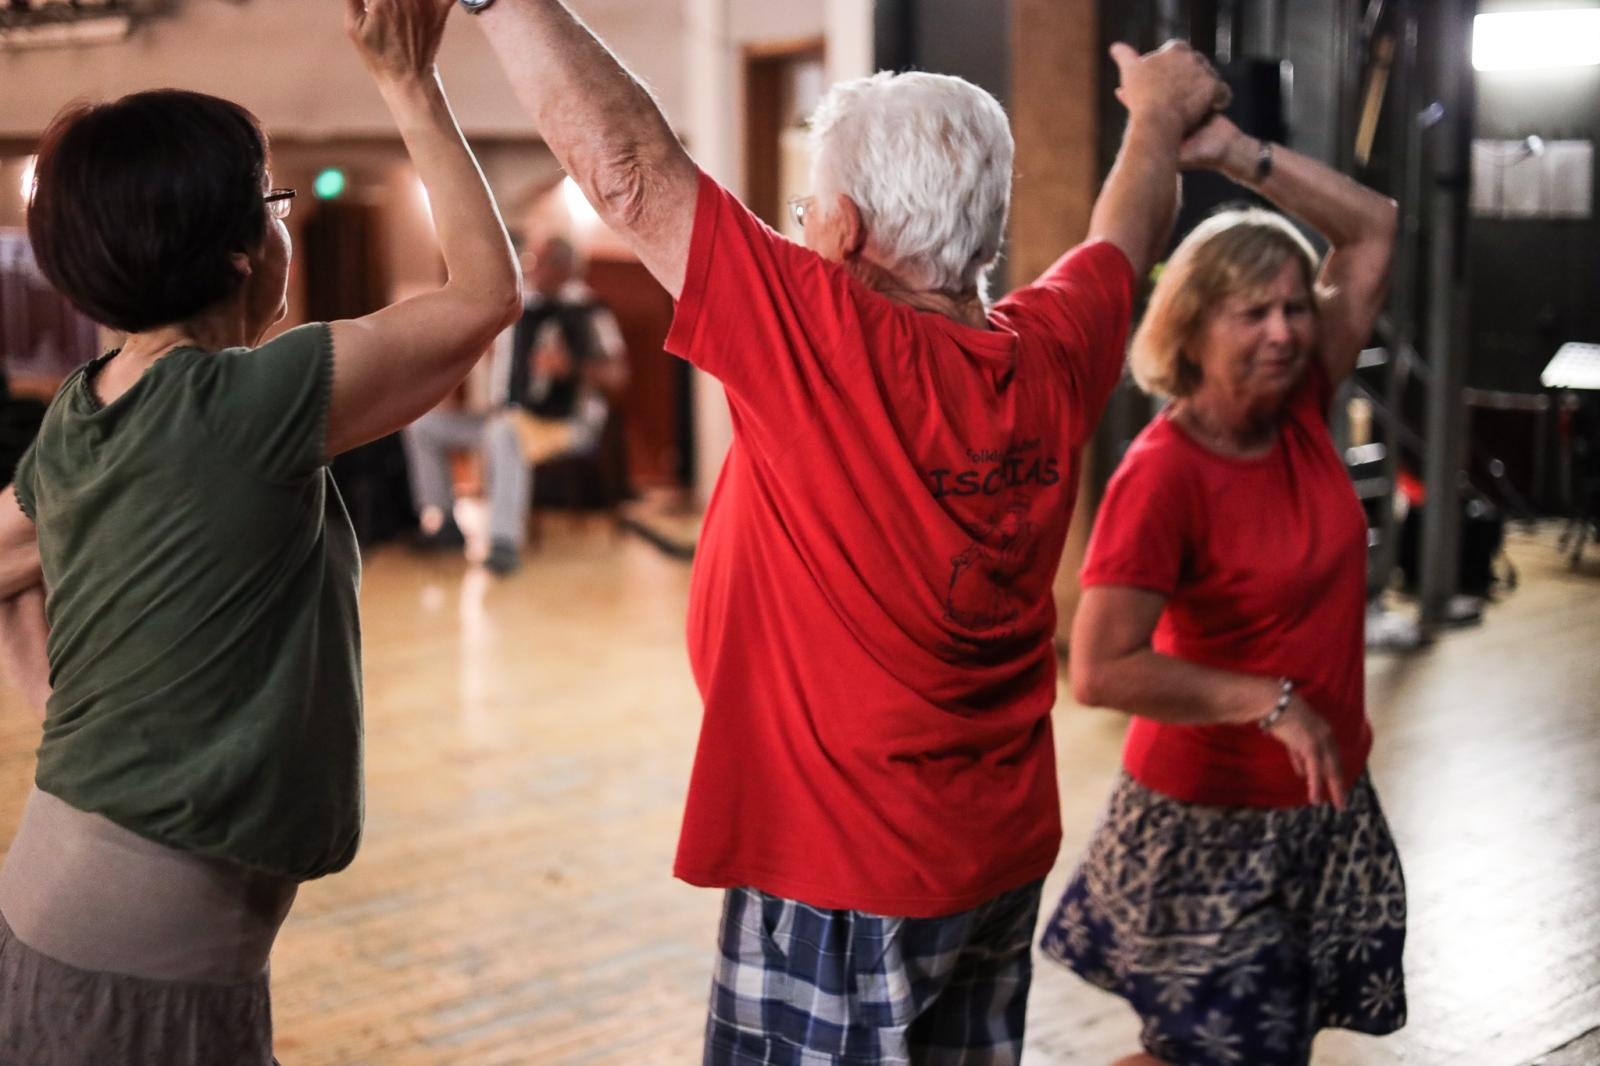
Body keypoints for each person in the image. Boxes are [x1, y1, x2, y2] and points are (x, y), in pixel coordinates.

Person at [465, 3, 1225, 1058]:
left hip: (845, 876)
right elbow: (1125, 237)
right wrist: (1154, 115)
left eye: (807, 206)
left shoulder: (828, 336)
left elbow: (628, 167)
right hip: (996, 854)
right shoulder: (1052, 345)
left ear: (850, 232)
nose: (800, 226)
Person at [0, 0, 518, 1060]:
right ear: (242, 251)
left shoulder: (84, 406)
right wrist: (409, 82)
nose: (284, 223)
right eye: (272, 203)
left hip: (61, 901)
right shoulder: (255, 401)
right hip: (146, 948)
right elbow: (479, 296)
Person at [1038, 112, 1403, 1066]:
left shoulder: (1306, 405)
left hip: (1317, 805)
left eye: (1295, 306)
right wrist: (1265, 701)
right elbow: (1101, 670)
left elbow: (1372, 228)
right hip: (1207, 822)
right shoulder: (1163, 475)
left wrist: (1234, 155)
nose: (1286, 331)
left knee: (1223, 1054)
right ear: (1192, 329)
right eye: (1255, 312)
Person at [403, 233, 628, 575]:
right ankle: (445, 521)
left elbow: (618, 375)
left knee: (503, 434)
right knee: (424, 425)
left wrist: (572, 367)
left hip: (566, 423)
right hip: (505, 415)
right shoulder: (520, 307)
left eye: (543, 262)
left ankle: (504, 542)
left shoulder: (589, 311)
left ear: (566, 268)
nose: (533, 269)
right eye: (532, 261)